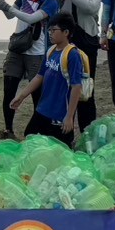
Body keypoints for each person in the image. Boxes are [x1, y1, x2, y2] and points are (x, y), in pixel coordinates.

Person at [0, 0, 60, 138]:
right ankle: (8, 130)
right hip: (17, 49)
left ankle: (39, 131)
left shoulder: (51, 2)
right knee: (9, 89)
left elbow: (31, 18)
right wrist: (2, 4)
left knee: (37, 93)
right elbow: (10, 16)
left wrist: (7, 6)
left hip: (37, 52)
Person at [9, 15, 89, 146]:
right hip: (43, 109)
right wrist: (22, 96)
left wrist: (69, 117)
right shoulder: (50, 51)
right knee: (30, 136)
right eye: (49, 30)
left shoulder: (72, 55)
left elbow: (76, 86)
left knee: (60, 150)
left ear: (66, 32)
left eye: (53, 30)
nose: (49, 33)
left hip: (59, 114)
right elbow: (39, 76)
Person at [53, 0, 100, 130]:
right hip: (67, 49)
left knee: (85, 91)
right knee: (66, 88)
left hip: (87, 50)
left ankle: (87, 132)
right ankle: (66, 132)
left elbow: (89, 7)